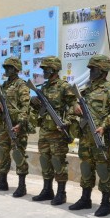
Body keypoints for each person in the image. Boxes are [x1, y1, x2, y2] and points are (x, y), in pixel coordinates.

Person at [69, 55, 110, 217]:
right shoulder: (86, 88)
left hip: (102, 136)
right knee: (86, 166)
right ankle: (85, 198)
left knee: (103, 168)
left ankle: (106, 203)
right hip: (86, 135)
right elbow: (74, 102)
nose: (90, 71)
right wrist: (76, 106)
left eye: (93, 69)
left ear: (102, 70)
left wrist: (105, 124)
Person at [29, 56, 78, 205]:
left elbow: (73, 106)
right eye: (43, 69)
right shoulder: (44, 88)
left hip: (58, 131)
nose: (44, 71)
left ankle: (61, 193)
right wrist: (34, 101)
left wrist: (66, 122)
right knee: (45, 160)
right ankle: (47, 190)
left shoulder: (64, 87)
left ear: (54, 69)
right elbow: (38, 108)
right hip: (45, 129)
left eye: (46, 69)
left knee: (58, 162)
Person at [0, 57, 30, 197]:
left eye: (9, 67)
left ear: (16, 69)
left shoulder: (21, 85)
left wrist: (20, 124)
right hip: (5, 125)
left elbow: (26, 107)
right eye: (5, 67)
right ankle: (2, 181)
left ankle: (22, 185)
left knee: (18, 154)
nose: (6, 70)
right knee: (3, 153)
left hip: (17, 125)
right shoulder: (4, 85)